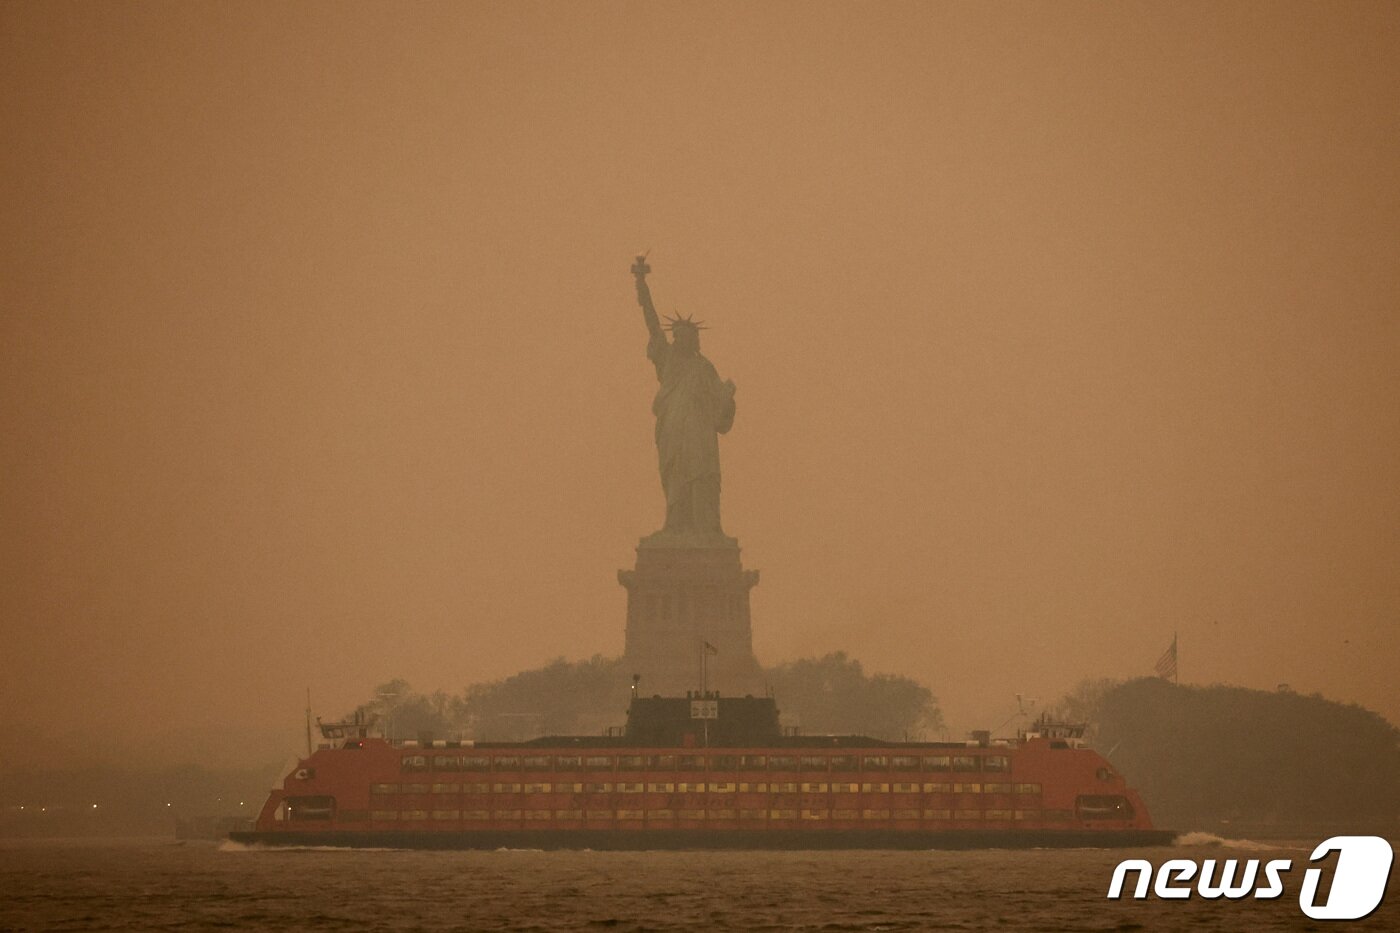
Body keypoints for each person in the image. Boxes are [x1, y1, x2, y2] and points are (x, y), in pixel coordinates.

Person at [631, 256, 736, 543]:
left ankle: (706, 529)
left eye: (685, 337)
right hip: (673, 431)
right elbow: (652, 324)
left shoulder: (704, 368)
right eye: (676, 336)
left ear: (695, 340)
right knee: (676, 477)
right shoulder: (667, 361)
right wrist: (642, 287)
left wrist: (728, 396)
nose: (679, 341)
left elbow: (721, 410)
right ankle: (675, 526)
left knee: (702, 475)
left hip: (700, 434)